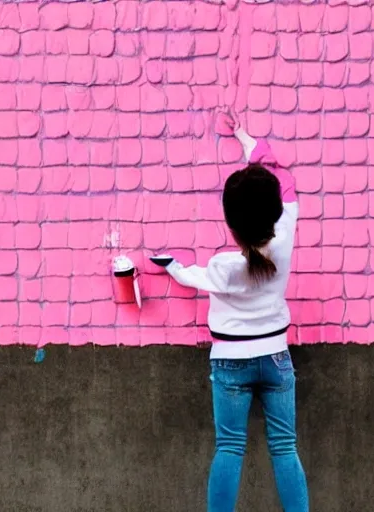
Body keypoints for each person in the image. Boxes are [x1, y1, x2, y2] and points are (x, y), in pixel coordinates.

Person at [151, 109, 309, 512]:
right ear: (273, 213)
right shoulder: (286, 238)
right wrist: (245, 138)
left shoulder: (224, 266)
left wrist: (172, 266)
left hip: (230, 364)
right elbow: (285, 181)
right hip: (277, 358)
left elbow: (191, 277)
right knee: (285, 448)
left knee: (229, 449)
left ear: (231, 226)